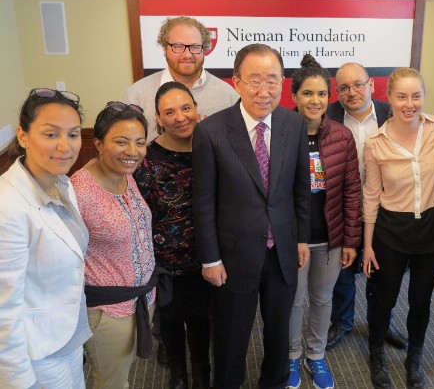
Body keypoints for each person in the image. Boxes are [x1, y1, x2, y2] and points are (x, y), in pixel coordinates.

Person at [193, 43, 311, 389]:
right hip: (232, 256)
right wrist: (210, 258)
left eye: (272, 80)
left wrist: (301, 238)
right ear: (236, 82)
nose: (264, 90)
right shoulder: (211, 131)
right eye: (254, 80)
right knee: (231, 341)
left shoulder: (294, 124)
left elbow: (301, 189)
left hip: (282, 251)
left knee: (278, 335)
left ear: (283, 83)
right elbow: (203, 202)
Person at [362, 67, 434, 389]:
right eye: (402, 96)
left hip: (431, 230)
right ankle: (376, 353)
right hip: (390, 232)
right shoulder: (375, 143)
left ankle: (414, 356)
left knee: (421, 301)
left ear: (424, 97)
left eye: (416, 96)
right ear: (389, 98)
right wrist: (368, 245)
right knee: (383, 299)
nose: (409, 104)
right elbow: (371, 196)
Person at [0, 89, 89, 389]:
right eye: (51, 134)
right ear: (23, 135)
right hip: (37, 354)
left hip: (68, 337)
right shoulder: (8, 206)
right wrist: (18, 381)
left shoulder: (62, 182)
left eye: (74, 134)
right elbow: (3, 308)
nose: (65, 146)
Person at [287, 55, 362, 389]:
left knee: (322, 299)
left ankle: (315, 356)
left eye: (321, 94)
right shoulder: (280, 133)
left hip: (330, 238)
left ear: (328, 97)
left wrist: (350, 240)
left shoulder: (342, 136)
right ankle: (290, 358)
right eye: (307, 93)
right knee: (293, 300)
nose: (314, 100)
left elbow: (351, 193)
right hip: (294, 239)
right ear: (295, 96)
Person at [71, 102, 156, 389]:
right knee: (111, 382)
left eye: (140, 142)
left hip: (140, 299)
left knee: (122, 376)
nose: (133, 151)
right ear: (98, 143)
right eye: (121, 141)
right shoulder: (79, 192)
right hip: (106, 311)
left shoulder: (125, 175)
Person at [134, 82, 211, 389]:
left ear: (196, 109)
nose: (180, 117)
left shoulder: (212, 148)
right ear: (159, 117)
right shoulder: (147, 158)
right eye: (170, 112)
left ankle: (203, 376)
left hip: (207, 260)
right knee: (170, 325)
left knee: (202, 324)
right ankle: (177, 377)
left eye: (185, 108)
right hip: (163, 265)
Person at [326, 62, 408, 351]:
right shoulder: (327, 115)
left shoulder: (393, 113)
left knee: (383, 272)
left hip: (385, 209)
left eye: (358, 84)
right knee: (343, 271)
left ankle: (382, 321)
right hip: (340, 208)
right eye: (345, 87)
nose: (352, 92)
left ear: (371, 84)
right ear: (337, 91)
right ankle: (342, 320)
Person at [124, 16, 239, 142]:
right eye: (178, 46)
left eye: (195, 47)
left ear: (204, 49)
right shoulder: (137, 95)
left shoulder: (229, 97)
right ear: (164, 48)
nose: (187, 55)